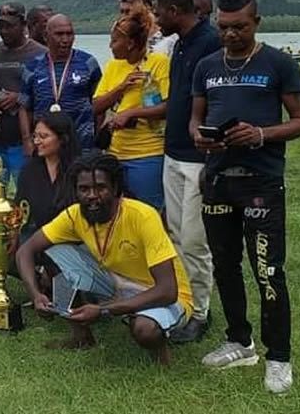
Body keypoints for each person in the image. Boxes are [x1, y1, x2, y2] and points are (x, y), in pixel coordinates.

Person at [191, 0, 300, 394]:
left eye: (239, 27)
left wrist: (261, 134)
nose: (230, 35)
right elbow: (196, 121)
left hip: (261, 183)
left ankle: (279, 356)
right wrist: (203, 140)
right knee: (225, 266)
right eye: (223, 27)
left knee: (268, 271)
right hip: (219, 181)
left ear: (256, 22)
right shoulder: (207, 67)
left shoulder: (278, 63)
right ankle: (239, 341)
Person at [16, 153, 194, 365]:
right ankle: (81, 336)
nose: (92, 195)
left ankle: (162, 358)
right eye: (84, 189)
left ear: (115, 188)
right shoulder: (75, 216)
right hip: (116, 283)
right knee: (54, 252)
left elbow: (167, 290)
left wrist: (103, 310)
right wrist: (35, 295)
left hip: (162, 294)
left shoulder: (143, 216)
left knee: (144, 329)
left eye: (100, 188)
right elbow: (25, 251)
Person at [153, 0, 222, 343]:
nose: (156, 19)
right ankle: (184, 301)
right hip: (173, 152)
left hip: (198, 157)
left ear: (175, 11)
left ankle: (201, 313)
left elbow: (215, 98)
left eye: (159, 12)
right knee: (177, 233)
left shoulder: (211, 42)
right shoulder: (178, 45)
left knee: (195, 239)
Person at [92, 3, 169, 212]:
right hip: (115, 153)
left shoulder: (158, 63)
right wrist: (122, 87)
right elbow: (96, 106)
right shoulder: (113, 66)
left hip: (147, 154)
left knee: (147, 212)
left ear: (131, 43)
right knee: (116, 212)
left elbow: (167, 106)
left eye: (115, 41)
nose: (110, 46)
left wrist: (132, 113)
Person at [13, 112, 81, 298]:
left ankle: (56, 281)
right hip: (36, 239)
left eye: (44, 136)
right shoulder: (29, 170)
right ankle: (39, 282)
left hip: (70, 243)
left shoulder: (79, 171)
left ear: (63, 139)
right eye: (35, 136)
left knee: (66, 298)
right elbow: (20, 210)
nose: (37, 141)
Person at [0, 1, 46, 192]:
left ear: (24, 25)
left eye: (10, 26)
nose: (4, 31)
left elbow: (47, 95)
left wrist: (19, 97)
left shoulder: (40, 54)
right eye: (1, 26)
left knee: (27, 198)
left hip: (24, 142)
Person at [19, 13, 99, 154]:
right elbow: (25, 107)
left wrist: (96, 136)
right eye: (59, 34)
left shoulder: (88, 63)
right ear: (46, 36)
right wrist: (27, 140)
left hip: (82, 146)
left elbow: (99, 103)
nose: (65, 39)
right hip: (44, 146)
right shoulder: (32, 67)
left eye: (69, 34)